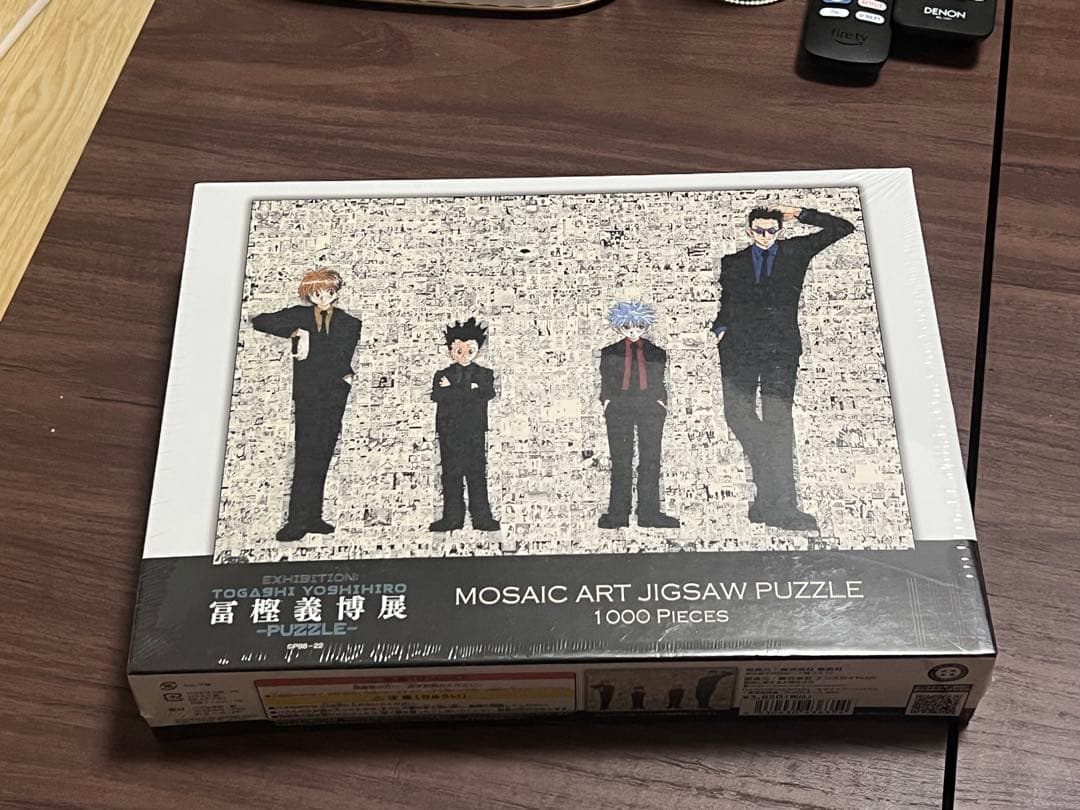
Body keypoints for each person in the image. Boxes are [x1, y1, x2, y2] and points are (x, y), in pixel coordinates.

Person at [711, 205, 854, 532]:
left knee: (778, 421)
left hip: (780, 349)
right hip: (738, 349)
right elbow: (729, 302)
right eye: (758, 230)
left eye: (771, 230)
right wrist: (721, 328)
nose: (765, 236)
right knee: (737, 414)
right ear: (749, 230)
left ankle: (783, 507)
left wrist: (801, 213)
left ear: (780, 230)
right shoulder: (732, 262)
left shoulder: (795, 252)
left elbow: (842, 228)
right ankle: (767, 499)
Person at [252, 269, 361, 542]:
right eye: (316, 293)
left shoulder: (349, 323)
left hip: (333, 394)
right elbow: (260, 321)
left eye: (328, 292)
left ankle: (313, 517)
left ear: (336, 292)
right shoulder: (299, 316)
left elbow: (337, 356)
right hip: (309, 395)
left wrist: (312, 342)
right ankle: (297, 521)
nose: (322, 297)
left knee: (322, 454)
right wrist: (296, 331)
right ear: (309, 294)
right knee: (306, 455)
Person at [598, 301, 680, 529]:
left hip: (649, 406)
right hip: (619, 407)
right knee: (620, 460)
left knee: (651, 459)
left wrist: (661, 401)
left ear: (646, 326)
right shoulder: (609, 352)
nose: (633, 331)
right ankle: (618, 514)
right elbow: (606, 379)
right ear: (619, 326)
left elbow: (659, 378)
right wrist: (607, 400)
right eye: (627, 327)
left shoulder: (657, 352)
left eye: (638, 326)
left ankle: (649, 513)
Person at [430, 317, 500, 532]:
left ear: (478, 350)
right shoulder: (442, 374)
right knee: (451, 474)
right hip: (449, 431)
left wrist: (453, 389)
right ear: (450, 351)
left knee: (476, 473)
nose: (463, 355)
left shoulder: (484, 374)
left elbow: (487, 394)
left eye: (469, 350)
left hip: (473, 431)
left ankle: (482, 518)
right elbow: (437, 396)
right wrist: (469, 390)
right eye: (458, 350)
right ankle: (452, 518)